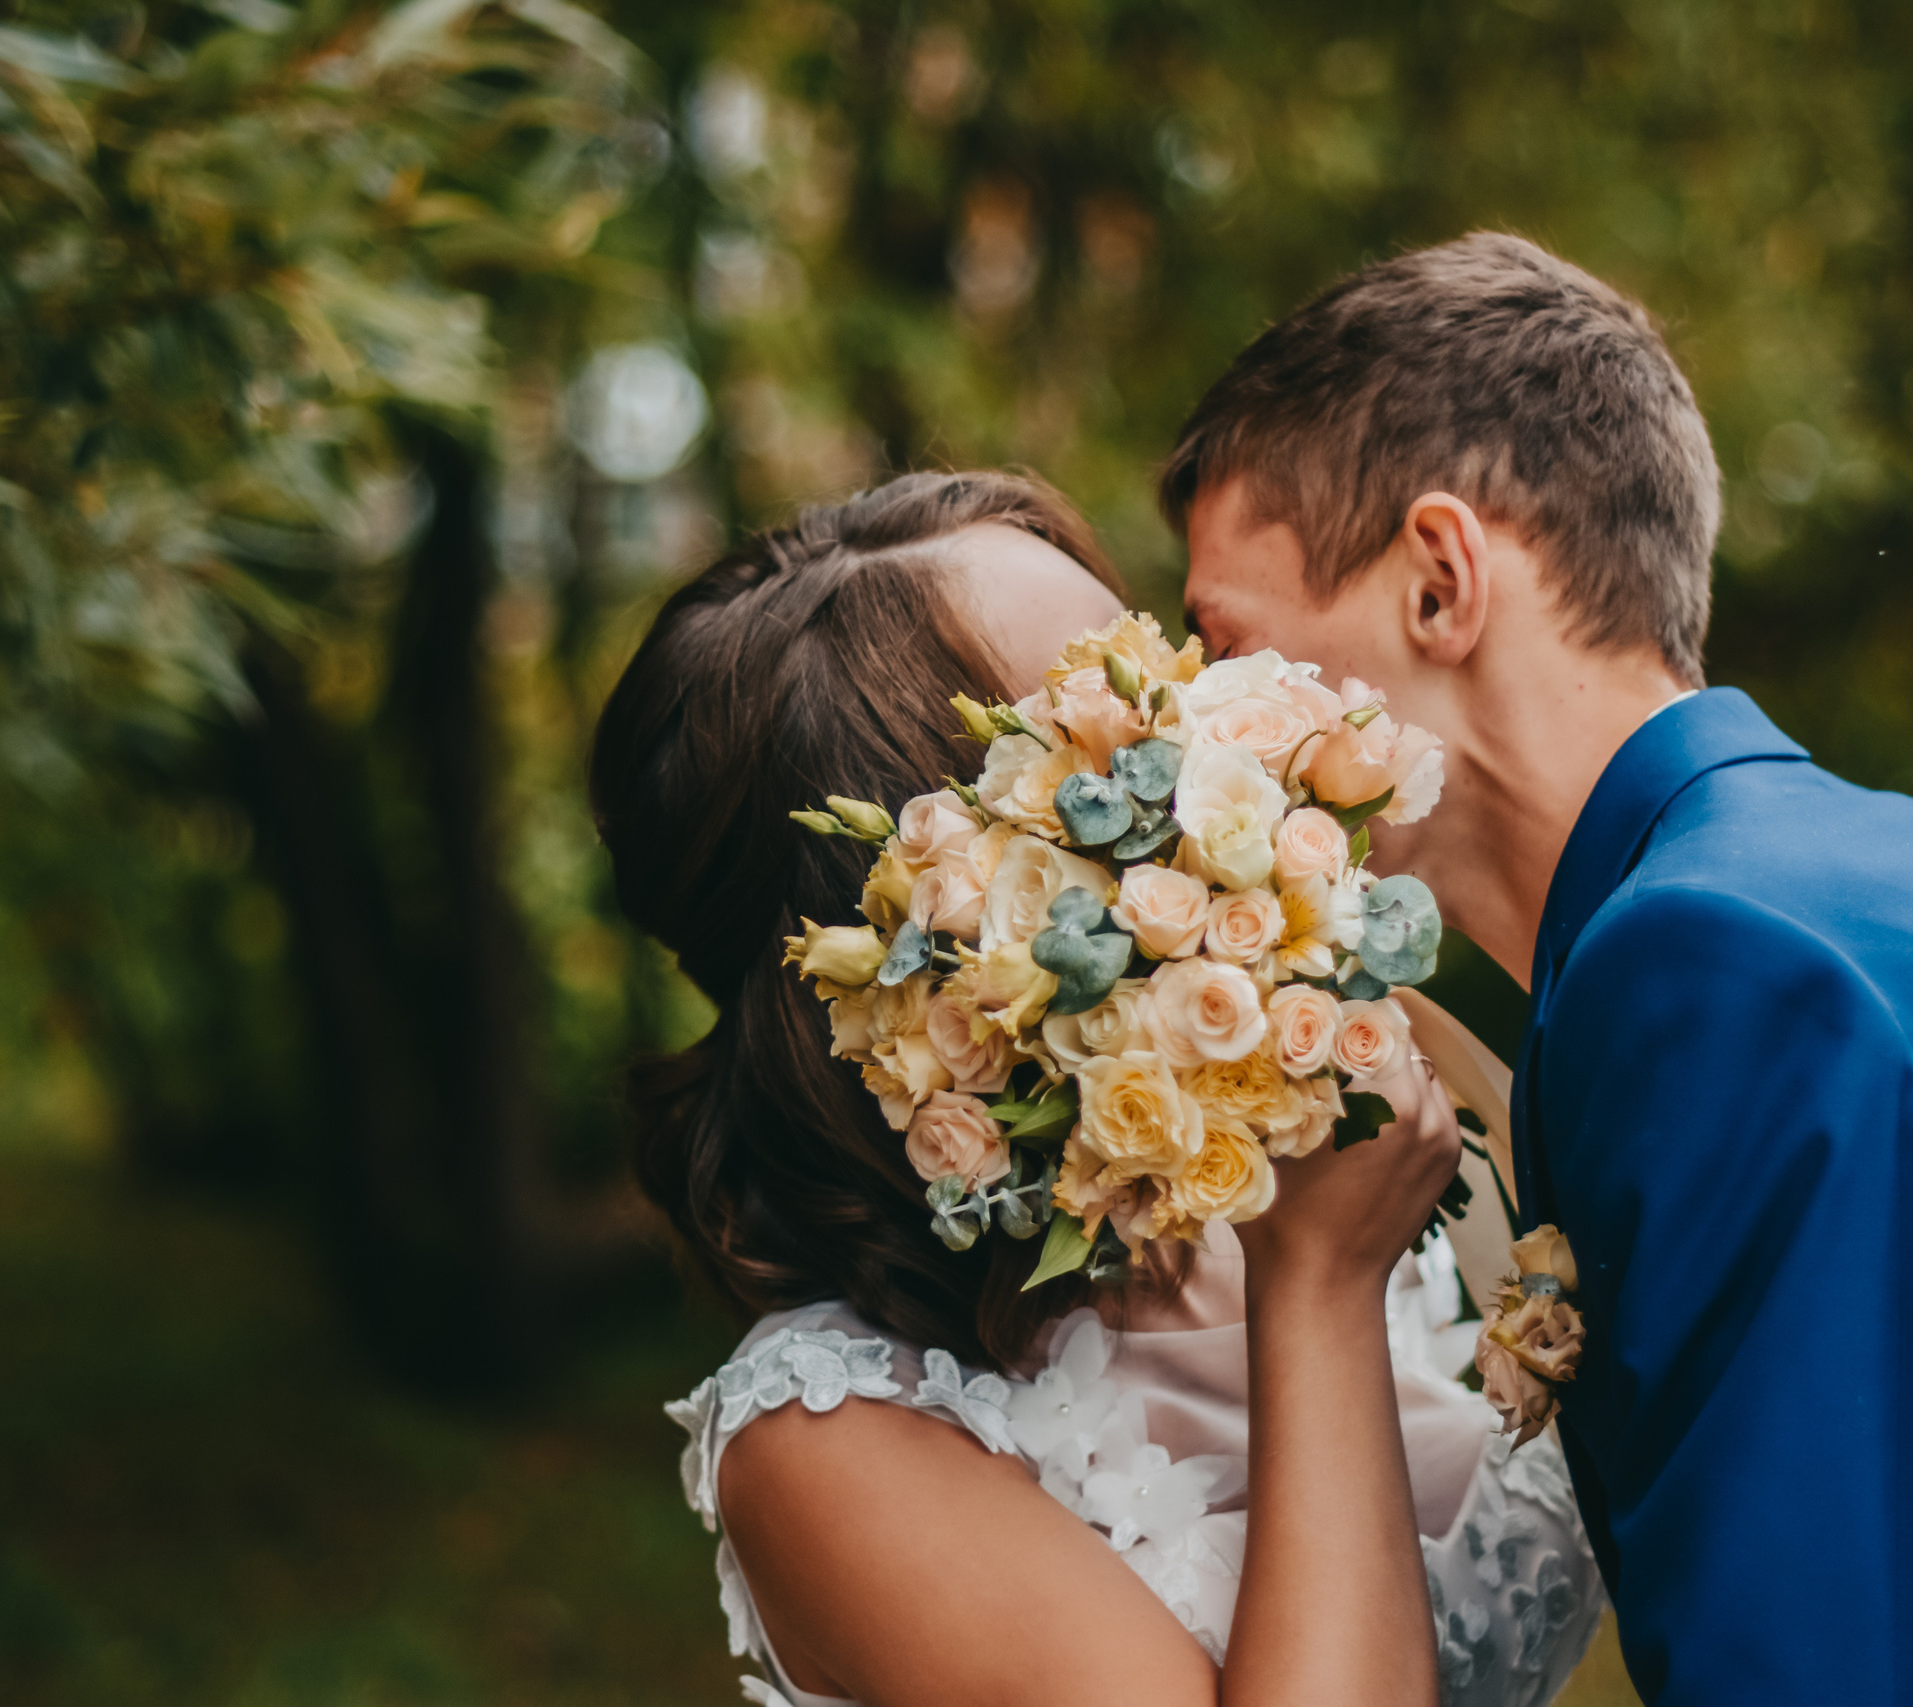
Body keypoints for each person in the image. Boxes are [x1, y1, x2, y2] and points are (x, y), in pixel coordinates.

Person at [1166, 231, 1913, 1703]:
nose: (1192, 736)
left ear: (1440, 581)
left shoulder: (1716, 970)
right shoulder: (1891, 882)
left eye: (1223, 648)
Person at [592, 471, 1606, 1707]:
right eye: (1120, 732)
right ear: (955, 923)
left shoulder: (1312, 1189)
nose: (1215, 730)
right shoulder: (829, 1438)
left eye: (1166, 671)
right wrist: (1320, 1288)